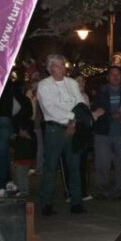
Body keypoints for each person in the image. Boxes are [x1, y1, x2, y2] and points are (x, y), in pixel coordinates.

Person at [36, 54, 89, 216]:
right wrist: (71, 117)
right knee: (51, 167)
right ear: (50, 68)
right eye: (57, 66)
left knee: (74, 165)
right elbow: (50, 107)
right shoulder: (44, 85)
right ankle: (46, 203)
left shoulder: (72, 83)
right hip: (54, 129)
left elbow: (79, 103)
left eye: (63, 65)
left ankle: (76, 201)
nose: (61, 68)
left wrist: (74, 122)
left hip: (72, 128)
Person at [92, 66, 121, 199]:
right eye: (112, 75)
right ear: (108, 77)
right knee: (102, 163)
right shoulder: (101, 90)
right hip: (103, 132)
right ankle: (102, 190)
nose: (115, 77)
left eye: (118, 74)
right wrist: (111, 115)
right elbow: (96, 107)